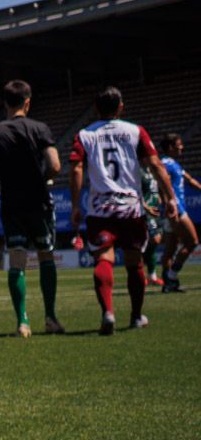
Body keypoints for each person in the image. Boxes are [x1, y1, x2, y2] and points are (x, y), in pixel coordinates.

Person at [69, 87, 177, 334]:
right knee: (134, 262)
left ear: (96, 109)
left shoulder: (84, 135)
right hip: (130, 209)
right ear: (121, 107)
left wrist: (75, 205)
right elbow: (156, 165)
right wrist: (170, 198)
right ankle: (136, 316)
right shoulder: (135, 131)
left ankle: (108, 311)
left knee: (103, 258)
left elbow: (76, 169)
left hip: (100, 209)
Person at [0, 79, 63, 337]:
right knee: (46, 254)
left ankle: (22, 322)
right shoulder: (39, 128)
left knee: (17, 261)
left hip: (11, 204)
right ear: (27, 102)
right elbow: (55, 165)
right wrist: (43, 177)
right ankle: (51, 318)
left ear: (4, 104)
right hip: (38, 202)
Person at [159, 135, 197, 292]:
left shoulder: (175, 164)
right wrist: (168, 203)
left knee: (170, 249)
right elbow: (161, 182)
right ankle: (172, 276)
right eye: (179, 145)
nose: (182, 148)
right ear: (170, 147)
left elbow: (190, 180)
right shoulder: (166, 163)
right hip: (176, 208)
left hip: (172, 209)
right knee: (192, 242)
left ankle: (168, 284)